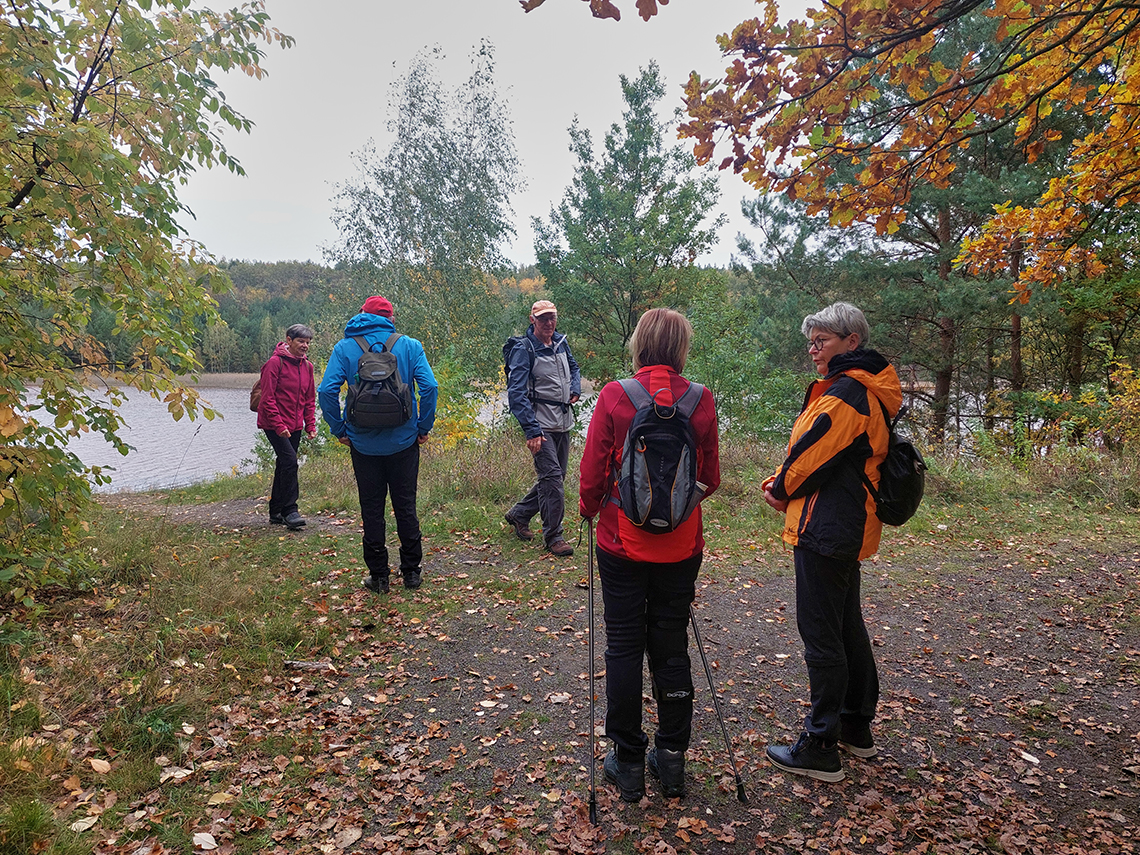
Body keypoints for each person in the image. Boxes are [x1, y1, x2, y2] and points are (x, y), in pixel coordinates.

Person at [579, 308, 720, 802]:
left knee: (622, 645)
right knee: (671, 645)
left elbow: (593, 471)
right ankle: (673, 758)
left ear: (640, 344)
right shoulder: (701, 399)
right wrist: (675, 513)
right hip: (681, 547)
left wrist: (588, 509)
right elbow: (710, 479)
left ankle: (629, 762)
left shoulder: (615, 395)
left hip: (621, 542)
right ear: (680, 348)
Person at [761, 301, 903, 782]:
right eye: (811, 342)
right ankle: (855, 727)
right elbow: (819, 453)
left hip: (826, 526)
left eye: (821, 341)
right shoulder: (862, 389)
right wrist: (785, 480)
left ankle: (821, 744)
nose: (813, 350)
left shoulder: (848, 393)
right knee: (845, 626)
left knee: (823, 633)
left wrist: (780, 488)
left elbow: (811, 456)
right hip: (844, 522)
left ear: (851, 342)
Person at [319, 296, 438, 593]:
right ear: (391, 318)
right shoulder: (409, 345)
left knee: (371, 509)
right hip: (404, 441)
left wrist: (339, 429)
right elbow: (430, 387)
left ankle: (379, 576)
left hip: (363, 444)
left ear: (362, 314)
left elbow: (327, 391)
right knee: (405, 505)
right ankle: (411, 573)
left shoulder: (345, 347)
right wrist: (423, 427)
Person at [504, 299, 581, 557]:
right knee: (552, 479)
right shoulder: (524, 349)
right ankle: (554, 537)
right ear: (532, 320)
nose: (549, 323)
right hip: (540, 423)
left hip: (563, 421)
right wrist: (532, 429)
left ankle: (519, 514)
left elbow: (574, 368)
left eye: (552, 317)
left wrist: (575, 387)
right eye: (543, 318)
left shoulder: (561, 342)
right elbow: (516, 393)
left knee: (555, 477)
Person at [257, 324, 317, 530]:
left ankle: (276, 512)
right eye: (301, 341)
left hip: (295, 425)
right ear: (289, 340)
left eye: (308, 342)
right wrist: (279, 425)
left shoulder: (307, 366)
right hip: (274, 423)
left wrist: (310, 424)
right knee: (290, 462)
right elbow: (267, 399)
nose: (305, 346)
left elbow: (309, 399)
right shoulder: (275, 363)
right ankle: (290, 510)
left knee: (284, 464)